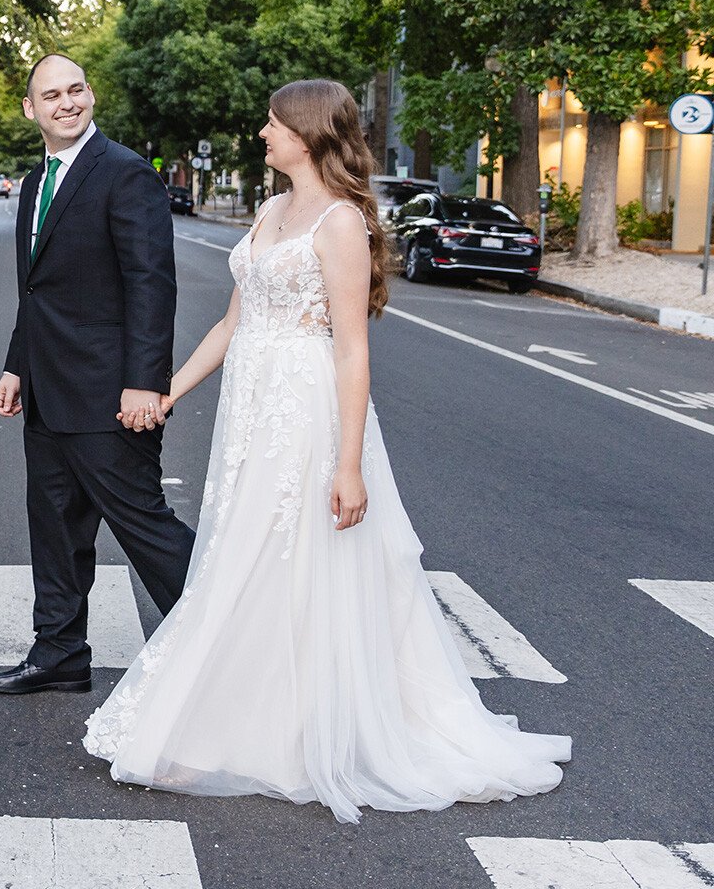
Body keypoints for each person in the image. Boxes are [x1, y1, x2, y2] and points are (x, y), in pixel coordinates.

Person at [83, 79, 571, 823]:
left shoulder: (341, 224)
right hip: (251, 410)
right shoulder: (272, 210)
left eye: (272, 124)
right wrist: (168, 391)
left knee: (292, 558)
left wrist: (348, 464)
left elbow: (352, 353)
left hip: (307, 411)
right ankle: (246, 716)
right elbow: (230, 325)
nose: (261, 134)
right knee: (241, 553)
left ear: (305, 135)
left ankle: (291, 732)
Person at [0, 54, 197, 695]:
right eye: (52, 95)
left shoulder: (126, 174)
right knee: (55, 528)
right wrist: (17, 365)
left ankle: (237, 639)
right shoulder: (32, 183)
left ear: (90, 95)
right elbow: (36, 291)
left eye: (76, 90)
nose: (66, 103)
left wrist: (145, 380)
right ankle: (60, 654)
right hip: (47, 391)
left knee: (144, 526)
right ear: (30, 109)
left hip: (110, 393)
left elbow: (151, 285)